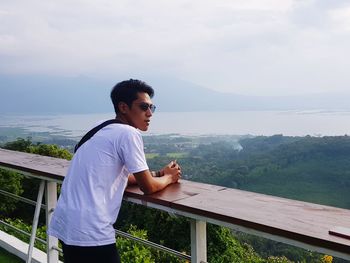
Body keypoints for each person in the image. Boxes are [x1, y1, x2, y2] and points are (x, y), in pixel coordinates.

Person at [48, 79, 182, 263]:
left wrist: (158, 173)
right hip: (91, 231)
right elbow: (148, 188)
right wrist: (169, 178)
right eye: (144, 107)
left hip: (67, 222)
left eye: (152, 107)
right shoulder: (128, 133)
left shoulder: (101, 127)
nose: (149, 113)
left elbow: (115, 176)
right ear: (123, 107)